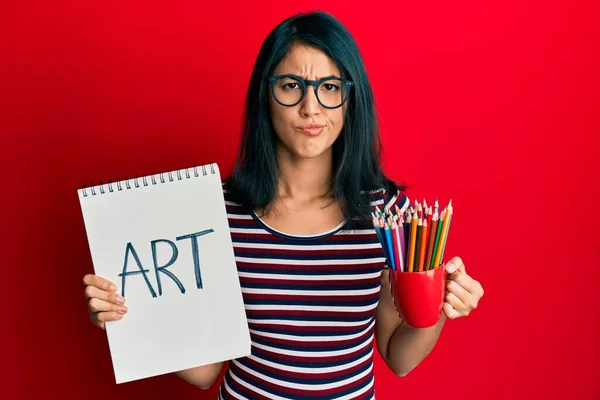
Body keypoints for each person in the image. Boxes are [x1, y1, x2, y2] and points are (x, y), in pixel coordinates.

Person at [82, 11, 484, 399]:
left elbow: (399, 357)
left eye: (329, 87)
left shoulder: (388, 215)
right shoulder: (217, 214)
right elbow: (204, 373)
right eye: (291, 85)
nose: (311, 108)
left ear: (350, 97)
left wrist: (440, 307)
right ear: (265, 94)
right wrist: (127, 316)